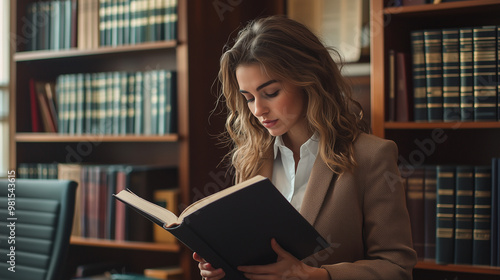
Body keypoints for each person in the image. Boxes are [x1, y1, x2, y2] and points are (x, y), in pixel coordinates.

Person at [193, 15, 417, 280]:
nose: (258, 110)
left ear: (308, 80)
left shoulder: (371, 156)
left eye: (271, 93)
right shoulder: (251, 160)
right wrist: (224, 267)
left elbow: (397, 268)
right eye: (249, 98)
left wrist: (315, 276)